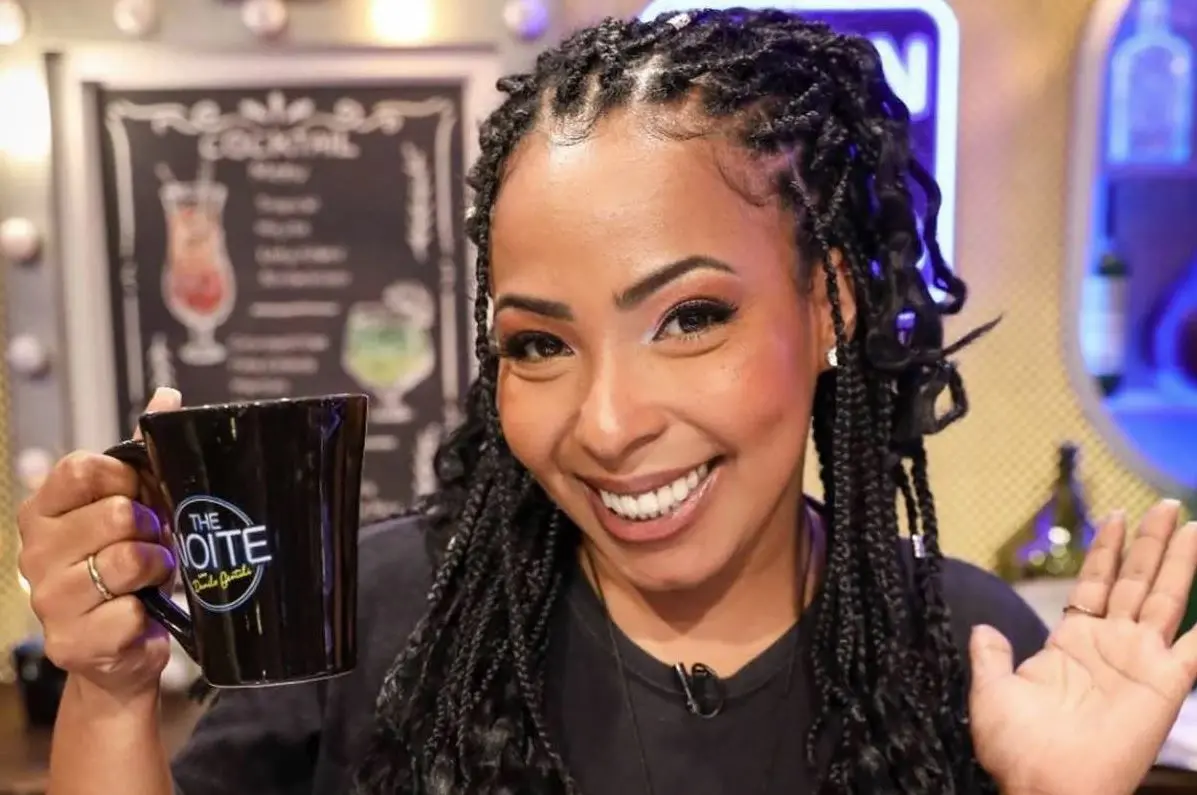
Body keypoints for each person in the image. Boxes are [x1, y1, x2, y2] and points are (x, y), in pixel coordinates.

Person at [17, 9, 1197, 795]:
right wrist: (111, 694)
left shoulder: (968, 650)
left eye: (690, 317)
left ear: (829, 300)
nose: (609, 423)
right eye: (539, 343)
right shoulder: (374, 615)